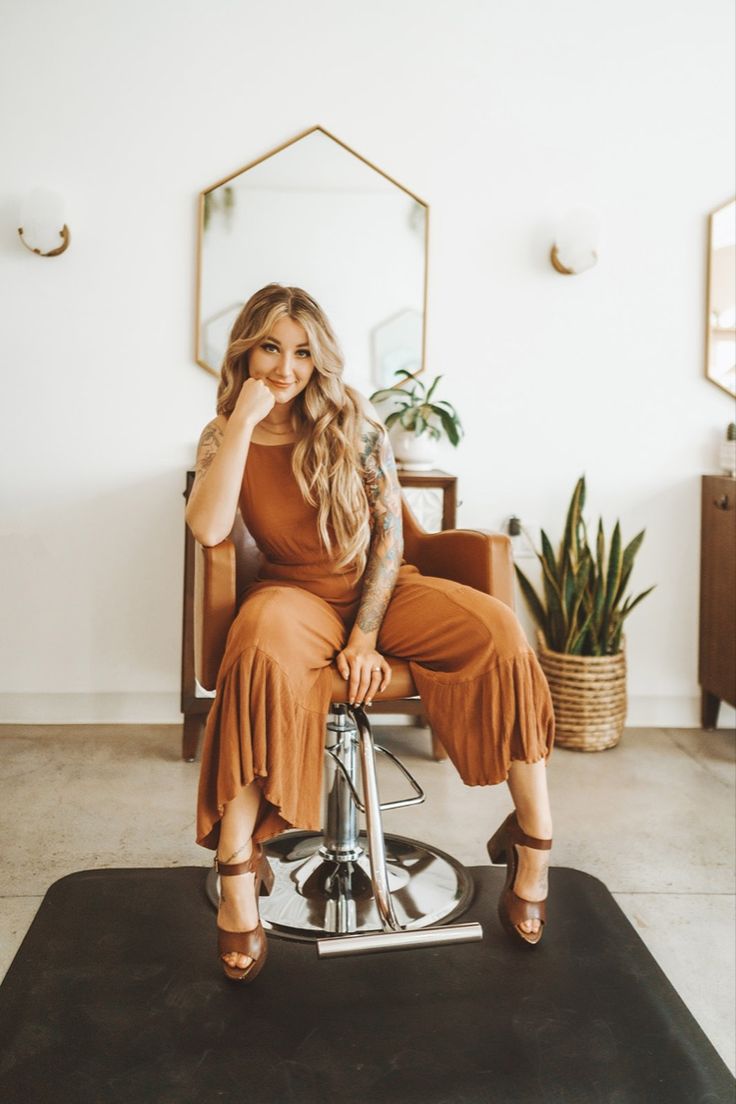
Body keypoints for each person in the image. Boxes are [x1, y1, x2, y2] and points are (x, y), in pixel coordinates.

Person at [186, 283, 555, 983]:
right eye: (270, 347)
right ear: (245, 349)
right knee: (255, 648)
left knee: (501, 633)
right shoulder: (222, 434)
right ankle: (238, 868)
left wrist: (364, 638)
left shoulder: (355, 423)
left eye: (301, 351)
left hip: (378, 590)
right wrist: (240, 422)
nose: (285, 368)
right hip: (291, 595)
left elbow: (388, 544)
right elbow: (208, 528)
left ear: (321, 356)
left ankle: (533, 840)